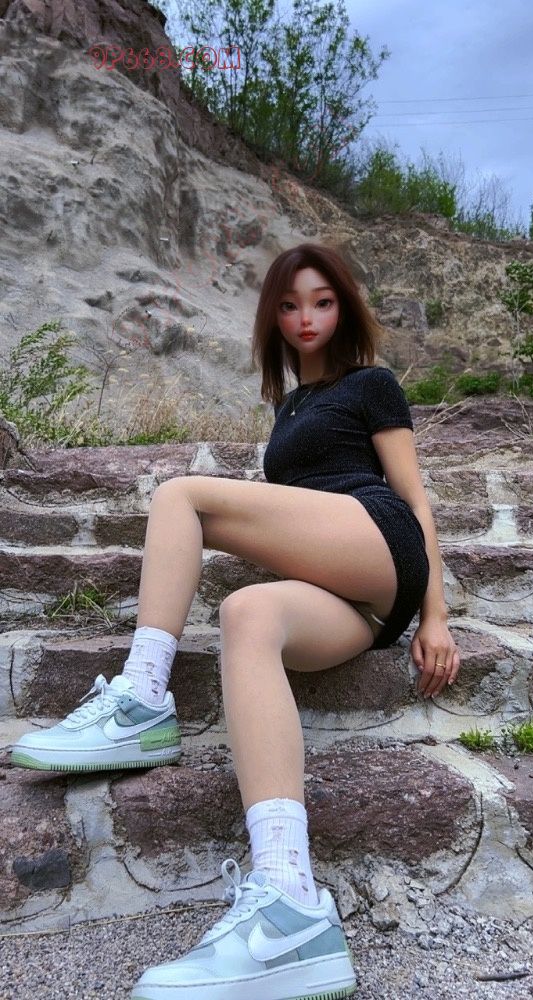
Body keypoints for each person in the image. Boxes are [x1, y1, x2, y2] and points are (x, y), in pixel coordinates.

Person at [11, 242, 460, 999]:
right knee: (247, 612)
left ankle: (142, 695)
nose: (306, 318)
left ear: (345, 308)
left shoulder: (372, 384)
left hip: (380, 540)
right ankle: (289, 905)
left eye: (322, 302)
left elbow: (416, 499)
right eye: (289, 305)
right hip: (347, 601)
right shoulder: (288, 409)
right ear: (272, 319)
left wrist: (436, 616)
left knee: (181, 495)